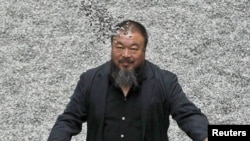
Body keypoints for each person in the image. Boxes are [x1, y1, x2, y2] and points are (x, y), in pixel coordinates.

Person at [48, 20, 209, 141]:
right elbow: (69, 120)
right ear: (112, 48)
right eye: (119, 47)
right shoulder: (89, 80)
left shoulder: (165, 81)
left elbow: (189, 115)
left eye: (133, 48)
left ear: (144, 51)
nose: (125, 54)